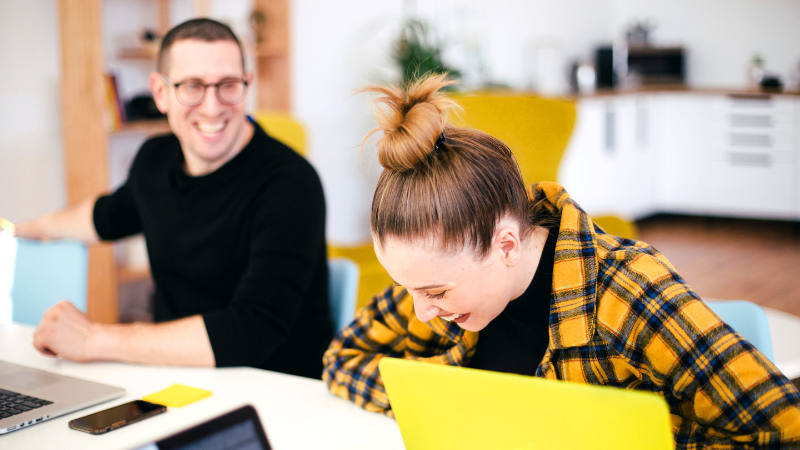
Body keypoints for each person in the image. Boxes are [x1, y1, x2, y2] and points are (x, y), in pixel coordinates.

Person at [322, 74, 800, 447]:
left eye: (434, 292)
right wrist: (448, 404)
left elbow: (782, 430)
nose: (420, 309)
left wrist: (619, 438)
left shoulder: (627, 291)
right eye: (407, 288)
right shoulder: (439, 283)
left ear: (506, 245)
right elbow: (342, 359)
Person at [15, 18, 332, 379]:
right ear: (161, 93)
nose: (212, 107)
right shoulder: (155, 159)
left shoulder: (291, 183)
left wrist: (95, 338)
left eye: (228, 85)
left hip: (277, 391)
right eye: (192, 86)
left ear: (247, 85)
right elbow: (107, 215)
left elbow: (251, 331)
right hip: (176, 377)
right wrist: (29, 228)